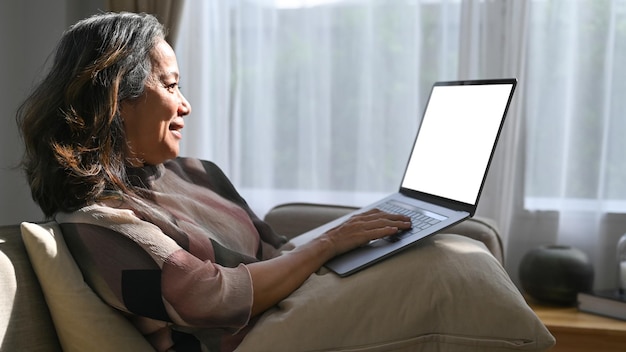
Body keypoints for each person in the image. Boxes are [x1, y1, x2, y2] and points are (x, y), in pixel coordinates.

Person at [16, 12, 411, 351]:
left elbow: (276, 249)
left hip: (302, 301)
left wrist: (352, 239)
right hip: (258, 336)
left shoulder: (197, 172)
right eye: (170, 86)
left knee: (448, 244)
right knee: (443, 271)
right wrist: (330, 243)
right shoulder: (97, 220)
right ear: (118, 101)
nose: (185, 104)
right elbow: (211, 298)